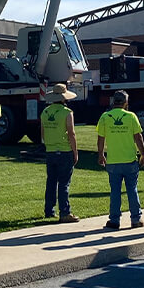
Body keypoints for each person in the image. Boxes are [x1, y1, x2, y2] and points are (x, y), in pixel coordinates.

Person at [97, 90, 144, 229]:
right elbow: (138, 137)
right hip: (130, 159)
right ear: (125, 102)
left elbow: (101, 138)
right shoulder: (131, 116)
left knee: (115, 191)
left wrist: (101, 154)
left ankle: (114, 220)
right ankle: (136, 219)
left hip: (113, 161)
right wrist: (143, 154)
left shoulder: (105, 117)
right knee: (132, 189)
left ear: (113, 102)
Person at [41, 83, 80, 223]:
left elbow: (43, 133)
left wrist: (49, 144)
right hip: (64, 150)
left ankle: (49, 210)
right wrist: (75, 151)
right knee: (64, 183)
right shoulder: (67, 112)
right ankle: (65, 212)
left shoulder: (45, 112)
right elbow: (71, 133)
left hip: (50, 151)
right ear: (64, 98)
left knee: (51, 181)